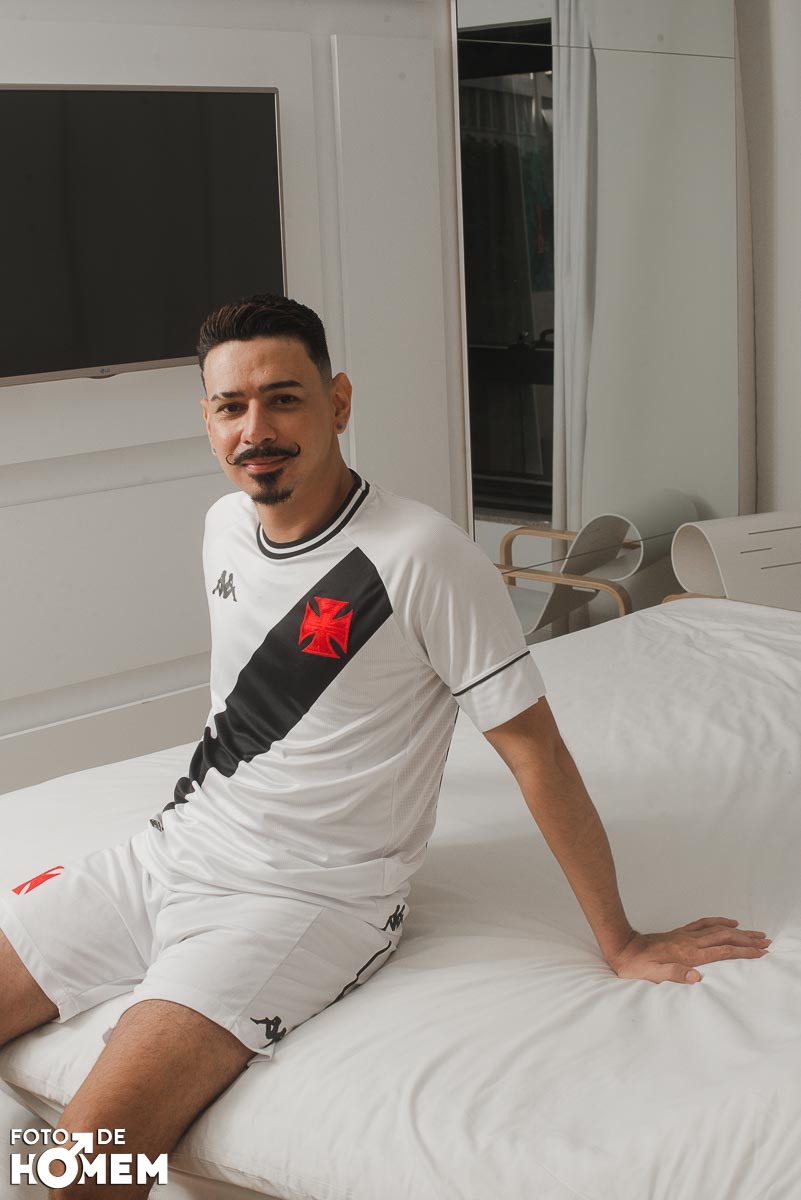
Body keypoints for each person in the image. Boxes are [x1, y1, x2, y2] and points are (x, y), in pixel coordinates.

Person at [0, 294, 770, 1197]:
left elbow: (536, 756)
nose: (256, 428)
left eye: (284, 399)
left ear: (338, 403)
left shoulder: (422, 557)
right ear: (207, 421)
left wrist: (621, 938)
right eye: (231, 406)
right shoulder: (223, 527)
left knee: (81, 1170)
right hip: (170, 852)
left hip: (301, 905)